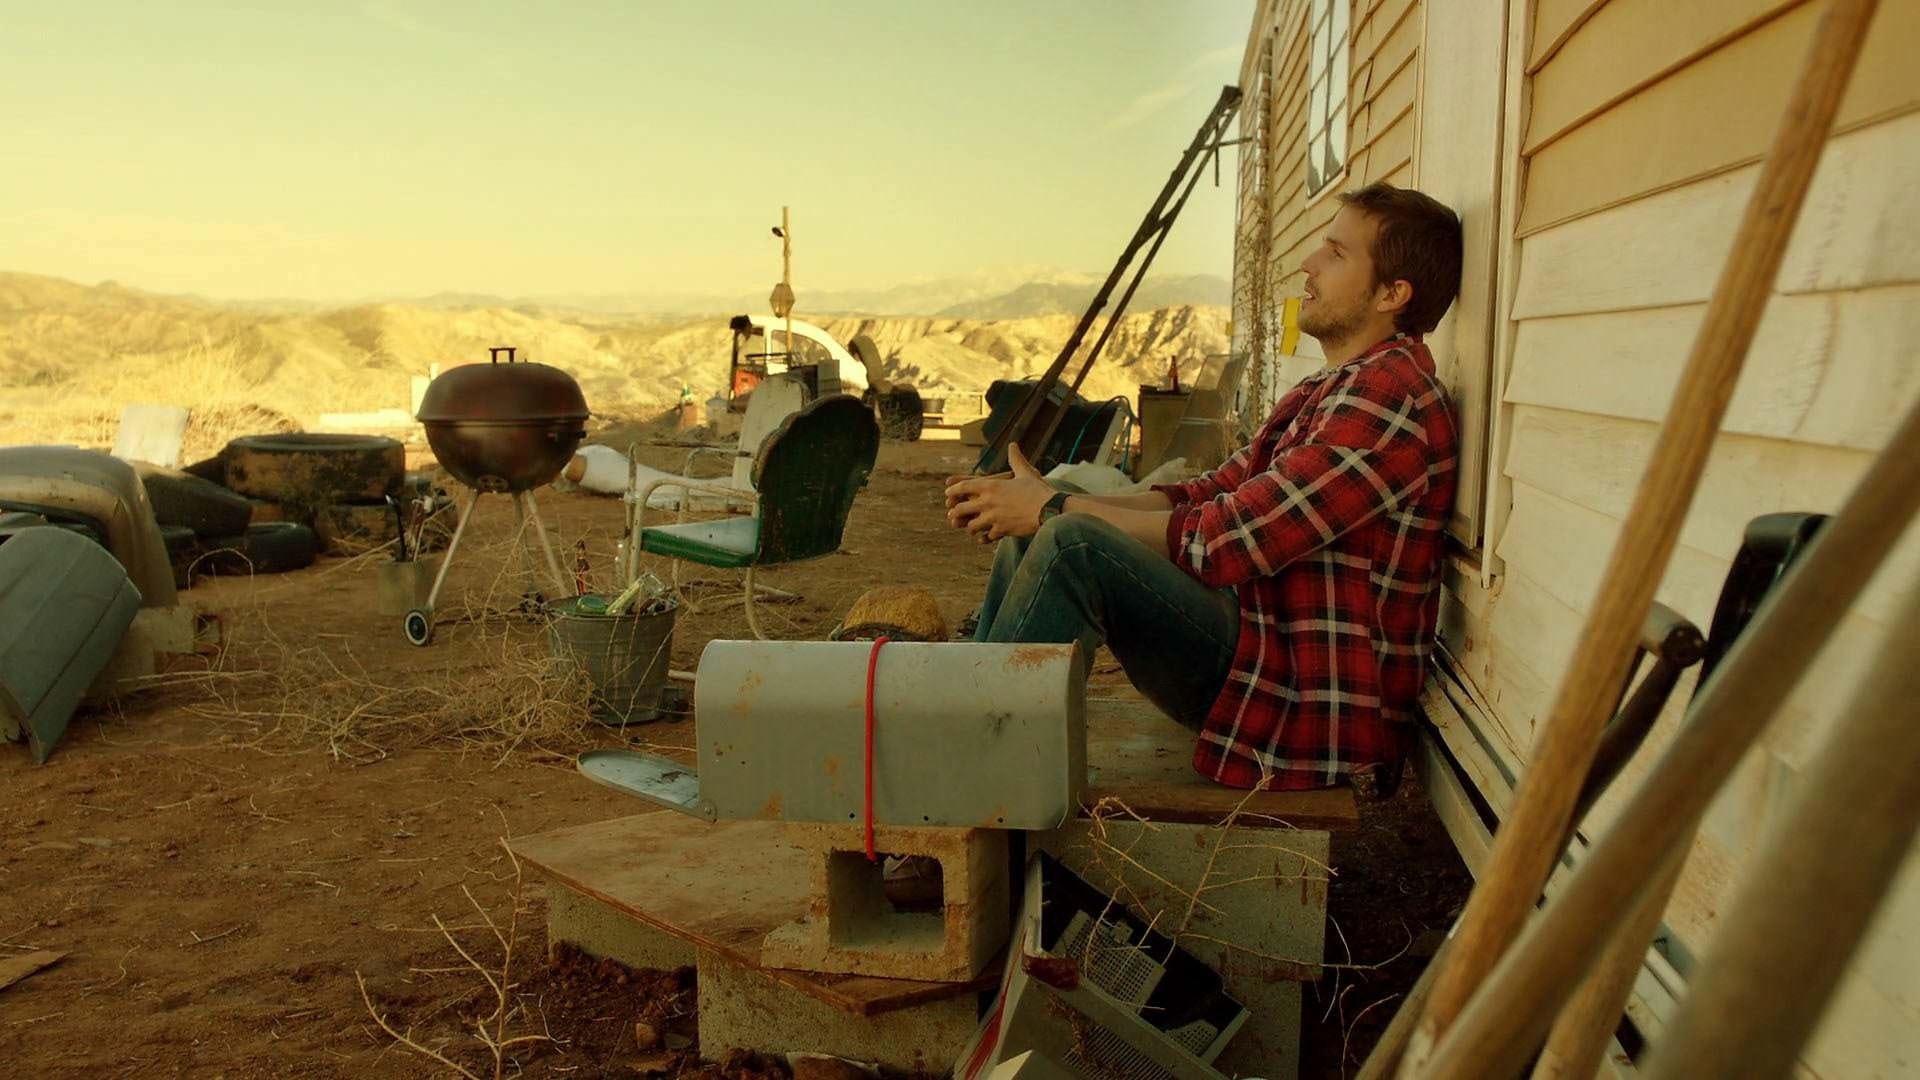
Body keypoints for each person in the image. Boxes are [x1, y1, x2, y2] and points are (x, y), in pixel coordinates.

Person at [945, 181, 1463, 791]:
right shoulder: (1335, 386)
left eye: (1336, 253)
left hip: (1299, 698)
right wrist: (1041, 502)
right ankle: (960, 735)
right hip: (1259, 645)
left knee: (1069, 543)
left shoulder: (1389, 397)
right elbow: (1208, 492)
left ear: (1392, 294)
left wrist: (1054, 507)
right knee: (1041, 533)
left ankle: (975, 780)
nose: (1308, 262)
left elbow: (1231, 538)